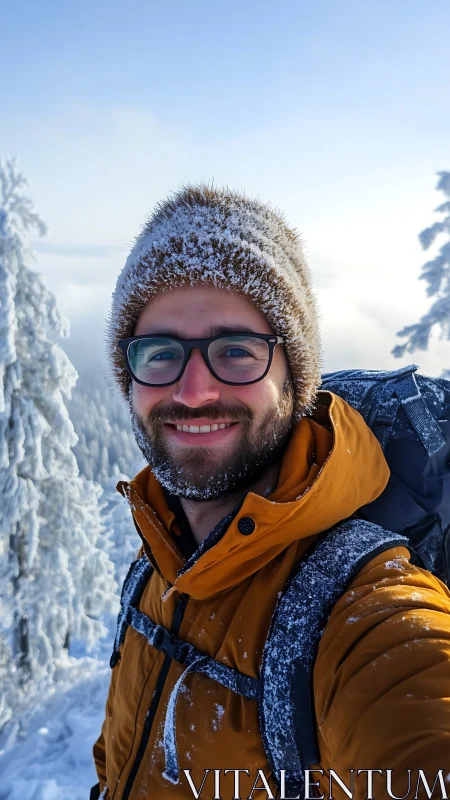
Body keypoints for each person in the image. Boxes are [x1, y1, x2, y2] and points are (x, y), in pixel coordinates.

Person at [91, 184, 450, 800]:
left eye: (236, 351)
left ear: (294, 377)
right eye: (160, 353)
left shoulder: (366, 608)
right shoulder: (160, 559)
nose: (195, 390)